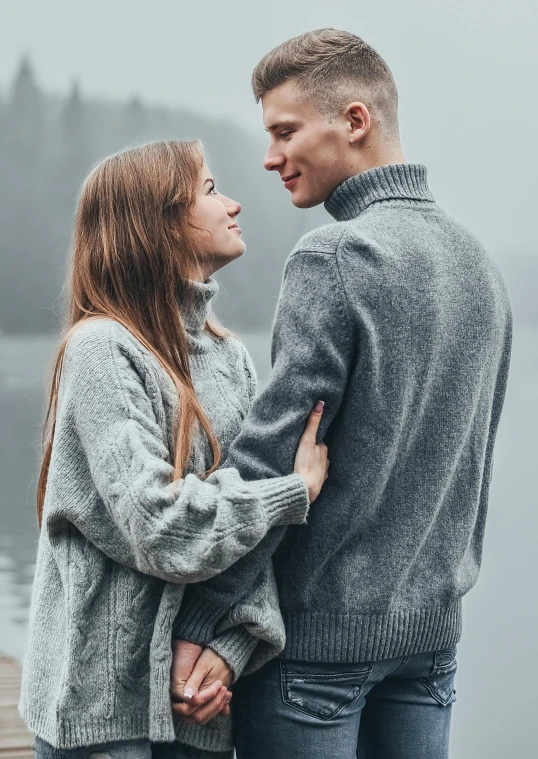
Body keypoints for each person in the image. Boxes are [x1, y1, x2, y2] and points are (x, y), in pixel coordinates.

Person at [170, 29, 513, 758]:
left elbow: (271, 454)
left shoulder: (336, 254)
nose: (270, 157)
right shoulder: (479, 264)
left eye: (286, 131)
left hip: (315, 652)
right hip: (430, 647)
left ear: (354, 121)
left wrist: (200, 621)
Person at [18, 139, 330, 759]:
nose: (234, 203)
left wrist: (227, 654)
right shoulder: (103, 349)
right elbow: (159, 525)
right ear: (156, 222)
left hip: (199, 714)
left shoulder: (229, 355)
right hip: (103, 723)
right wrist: (292, 491)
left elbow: (257, 551)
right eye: (211, 191)